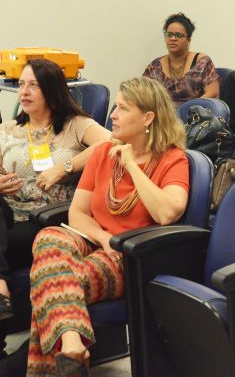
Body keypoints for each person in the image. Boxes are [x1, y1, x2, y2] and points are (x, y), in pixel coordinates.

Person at [26, 77, 190, 376]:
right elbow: (77, 213)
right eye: (115, 106)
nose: (112, 114)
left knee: (49, 280)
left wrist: (131, 165)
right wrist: (103, 238)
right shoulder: (102, 153)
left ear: (148, 118)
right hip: (99, 243)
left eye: (122, 108)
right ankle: (72, 346)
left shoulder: (172, 159)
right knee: (48, 236)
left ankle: (70, 352)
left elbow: (167, 212)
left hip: (130, 258)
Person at [0, 60, 111, 325]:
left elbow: (111, 141)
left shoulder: (75, 125)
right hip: (8, 218)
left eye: (33, 86)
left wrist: (65, 167)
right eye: (22, 85)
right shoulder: (7, 129)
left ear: (51, 91)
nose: (24, 92)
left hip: (47, 219)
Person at [143, 12, 219, 106]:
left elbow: (213, 93)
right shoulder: (155, 66)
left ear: (188, 40)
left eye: (178, 35)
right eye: (169, 34)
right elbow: (143, 96)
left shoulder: (201, 62)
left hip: (193, 116)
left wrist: (187, 109)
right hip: (163, 117)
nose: (173, 39)